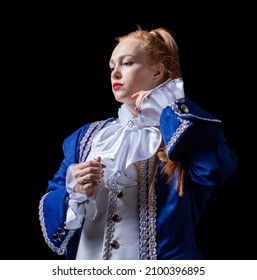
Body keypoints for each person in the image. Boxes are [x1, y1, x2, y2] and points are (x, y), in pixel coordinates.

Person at [38, 26, 237, 260]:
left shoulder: (181, 133)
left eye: (127, 63)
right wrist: (74, 191)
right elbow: (51, 204)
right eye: (112, 66)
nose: (115, 73)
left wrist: (170, 108)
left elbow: (216, 168)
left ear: (157, 72)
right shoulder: (85, 138)